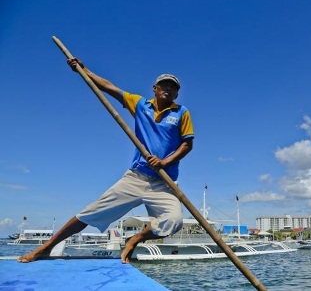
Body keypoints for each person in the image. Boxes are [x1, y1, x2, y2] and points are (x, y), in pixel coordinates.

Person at [18, 58, 194, 263]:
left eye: (173, 88)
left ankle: (135, 239)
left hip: (164, 182)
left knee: (174, 221)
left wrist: (165, 162)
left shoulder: (182, 112)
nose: (168, 89)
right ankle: (46, 248)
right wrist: (84, 71)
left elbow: (187, 144)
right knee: (90, 212)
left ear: (177, 94)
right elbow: (110, 88)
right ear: (155, 88)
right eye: (165, 85)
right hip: (136, 177)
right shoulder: (140, 104)